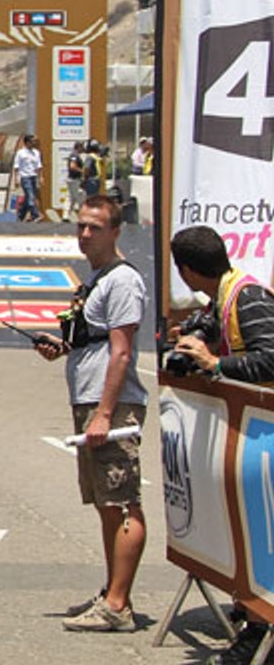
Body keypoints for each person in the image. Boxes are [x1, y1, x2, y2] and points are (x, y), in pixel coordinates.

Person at [32, 195, 147, 634]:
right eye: (80, 226)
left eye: (94, 228)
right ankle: (113, 592)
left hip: (111, 407)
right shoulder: (97, 280)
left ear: (115, 231)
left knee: (121, 501)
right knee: (105, 503)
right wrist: (60, 347)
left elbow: (120, 353)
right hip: (90, 401)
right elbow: (95, 342)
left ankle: (117, 605)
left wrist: (105, 413)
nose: (84, 235)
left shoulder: (122, 281)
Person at [165, 225, 274, 664]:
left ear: (187, 269)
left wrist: (215, 362)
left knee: (261, 535)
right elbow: (204, 336)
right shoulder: (220, 300)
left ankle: (261, 622)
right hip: (249, 436)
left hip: (262, 438)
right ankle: (253, 614)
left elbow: (271, 355)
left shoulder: (248, 297)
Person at [13, 133, 44, 222]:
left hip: (33, 177)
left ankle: (20, 215)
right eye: (32, 141)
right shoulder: (20, 153)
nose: (34, 143)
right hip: (25, 177)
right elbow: (16, 167)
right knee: (31, 196)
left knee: (28, 197)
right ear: (27, 142)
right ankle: (36, 215)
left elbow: (39, 166)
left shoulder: (36, 153)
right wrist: (16, 179)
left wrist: (41, 177)